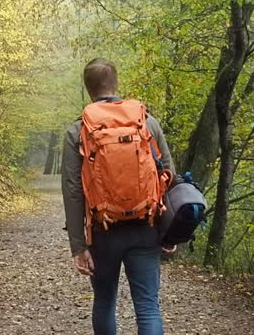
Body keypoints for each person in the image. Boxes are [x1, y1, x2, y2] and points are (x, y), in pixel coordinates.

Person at [61, 58, 176, 335]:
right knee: (148, 307)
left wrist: (78, 246)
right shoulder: (146, 122)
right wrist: (170, 231)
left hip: (103, 232)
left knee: (104, 302)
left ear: (88, 88)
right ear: (117, 83)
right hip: (145, 228)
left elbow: (73, 191)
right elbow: (169, 176)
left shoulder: (78, 131)